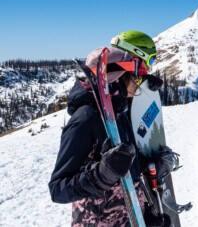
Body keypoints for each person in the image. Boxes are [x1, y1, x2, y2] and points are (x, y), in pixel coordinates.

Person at [48, 32, 173, 226]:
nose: (141, 82)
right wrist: (100, 175)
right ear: (119, 76)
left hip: (129, 218)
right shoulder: (86, 119)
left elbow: (125, 166)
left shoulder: (120, 112)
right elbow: (57, 189)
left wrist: (149, 165)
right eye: (138, 75)